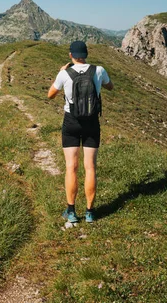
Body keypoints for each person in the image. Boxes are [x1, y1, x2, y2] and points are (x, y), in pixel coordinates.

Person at [47, 41, 113, 223]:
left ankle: (71, 212)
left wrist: (60, 73)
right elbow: (110, 86)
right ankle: (90, 212)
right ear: (86, 54)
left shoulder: (64, 73)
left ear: (71, 55)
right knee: (90, 167)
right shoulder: (99, 70)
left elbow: (50, 94)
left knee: (71, 167)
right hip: (92, 122)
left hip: (71, 122)